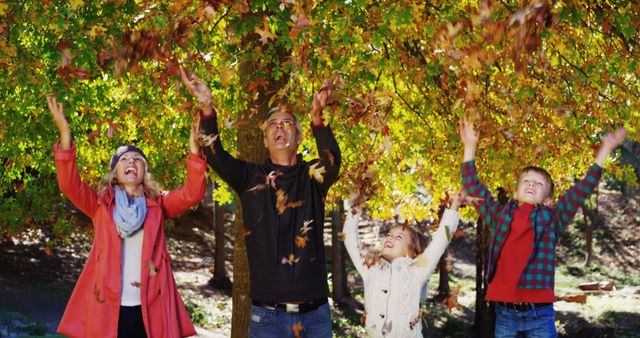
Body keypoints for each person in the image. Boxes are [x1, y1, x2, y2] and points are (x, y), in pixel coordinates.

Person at [180, 68, 341, 337]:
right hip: (268, 319)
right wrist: (206, 106)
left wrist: (317, 120)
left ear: (299, 138)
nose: (279, 126)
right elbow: (214, 153)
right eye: (273, 124)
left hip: (315, 318)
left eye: (287, 122)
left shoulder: (312, 177)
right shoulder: (250, 178)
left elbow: (332, 161)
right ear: (265, 140)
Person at [48, 95, 206, 338]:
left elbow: (191, 194)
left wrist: (195, 152)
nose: (131, 162)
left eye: (137, 160)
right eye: (124, 159)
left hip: (150, 308)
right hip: (109, 308)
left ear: (143, 171)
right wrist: (66, 136)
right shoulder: (101, 204)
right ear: (115, 173)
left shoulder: (158, 204)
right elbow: (70, 185)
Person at [459, 116, 626, 337]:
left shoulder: (552, 219)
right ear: (516, 192)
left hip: (540, 315)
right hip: (505, 315)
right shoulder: (500, 215)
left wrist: (603, 151)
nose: (531, 184)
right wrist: (469, 146)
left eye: (539, 184)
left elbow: (581, 191)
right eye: (526, 181)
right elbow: (473, 187)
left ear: (547, 200)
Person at [343, 191, 465, 338]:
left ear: (412, 251)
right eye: (389, 235)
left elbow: (440, 241)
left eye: (398, 237)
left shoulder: (417, 270)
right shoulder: (371, 267)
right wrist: (355, 204)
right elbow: (350, 239)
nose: (390, 238)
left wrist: (455, 206)